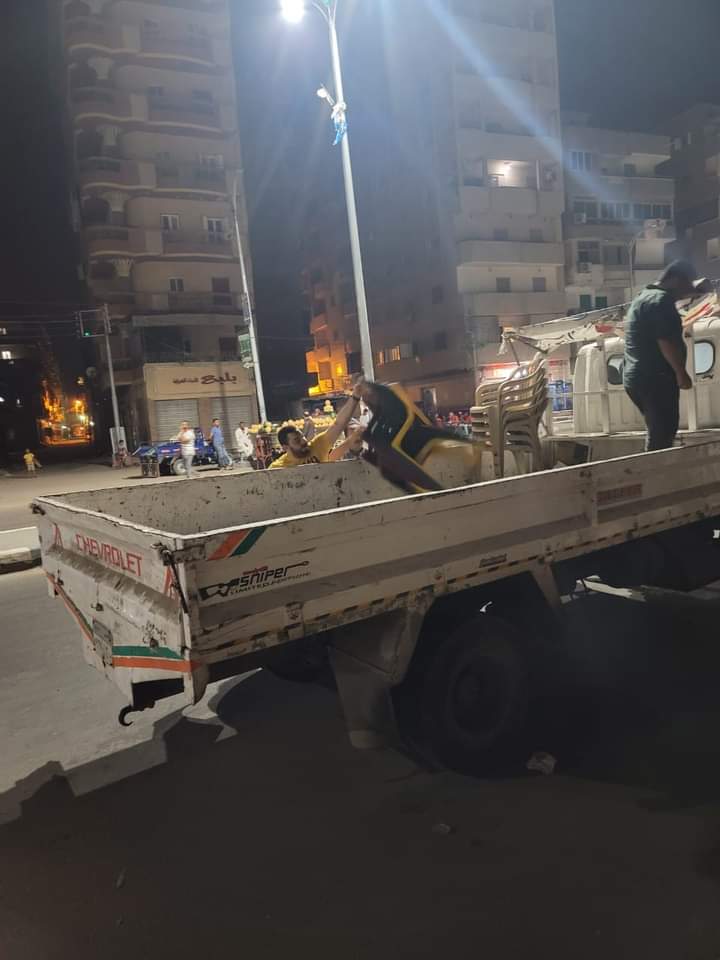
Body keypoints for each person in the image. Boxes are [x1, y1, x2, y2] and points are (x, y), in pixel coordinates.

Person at [623, 260, 696, 452]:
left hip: (637, 377)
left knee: (657, 430)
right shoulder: (661, 301)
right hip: (656, 377)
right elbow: (665, 340)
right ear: (676, 280)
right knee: (662, 434)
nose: (688, 289)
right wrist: (681, 373)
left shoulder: (643, 297)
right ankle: (654, 469)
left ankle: (654, 465)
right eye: (688, 283)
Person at [270, 378, 365, 469]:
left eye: (302, 437)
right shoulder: (277, 468)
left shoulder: (317, 445)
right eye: (297, 441)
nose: (303, 441)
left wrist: (355, 396)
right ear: (285, 447)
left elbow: (338, 424)